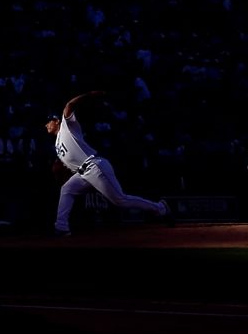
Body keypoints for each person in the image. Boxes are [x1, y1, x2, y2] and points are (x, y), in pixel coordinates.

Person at [47, 89, 169, 236]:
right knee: (67, 189)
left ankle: (160, 208)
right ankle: (61, 227)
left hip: (94, 166)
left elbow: (69, 105)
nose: (46, 125)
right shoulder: (57, 144)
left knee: (120, 200)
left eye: (48, 121)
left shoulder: (67, 127)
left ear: (56, 121)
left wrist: (90, 95)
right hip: (82, 173)